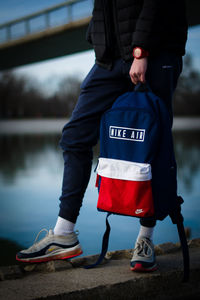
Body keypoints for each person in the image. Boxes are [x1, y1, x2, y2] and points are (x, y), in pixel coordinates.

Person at [16, 0, 188, 272]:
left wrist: (141, 50)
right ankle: (64, 234)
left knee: (154, 146)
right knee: (74, 137)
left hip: (154, 51)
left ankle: (145, 239)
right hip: (110, 59)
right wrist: (98, 39)